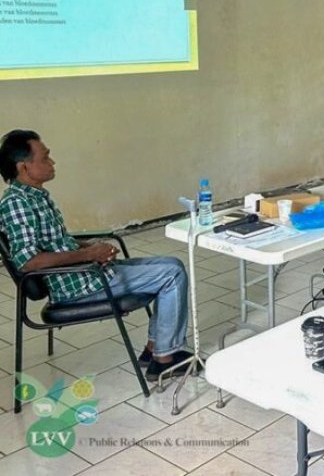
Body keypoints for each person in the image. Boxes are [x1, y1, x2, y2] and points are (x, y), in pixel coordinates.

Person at [0, 130, 194, 382]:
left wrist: (86, 246)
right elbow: (27, 262)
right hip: (78, 286)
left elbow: (53, 242)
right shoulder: (17, 203)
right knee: (172, 274)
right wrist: (89, 254)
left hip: (85, 272)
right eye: (45, 157)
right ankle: (164, 360)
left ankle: (153, 351)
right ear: (24, 166)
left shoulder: (35, 196)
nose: (52, 162)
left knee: (171, 264)